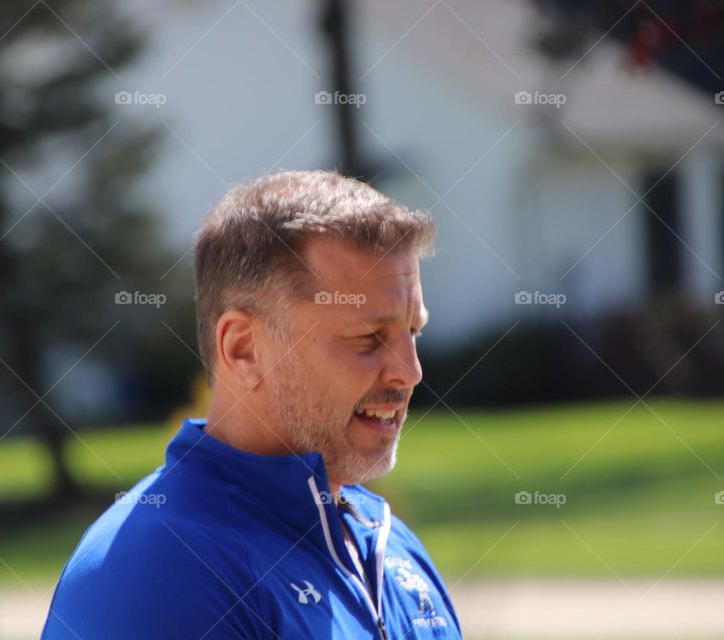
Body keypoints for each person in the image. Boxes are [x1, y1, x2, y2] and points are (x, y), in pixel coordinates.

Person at [42, 170, 462, 638]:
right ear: (243, 348)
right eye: (367, 338)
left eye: (413, 332)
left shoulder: (387, 543)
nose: (410, 370)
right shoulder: (156, 567)